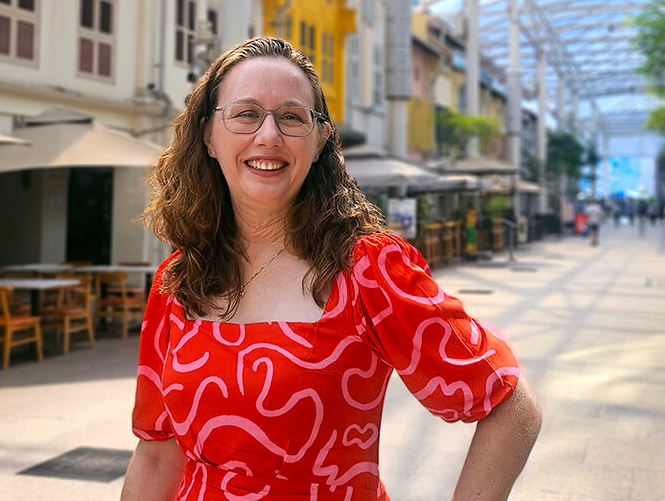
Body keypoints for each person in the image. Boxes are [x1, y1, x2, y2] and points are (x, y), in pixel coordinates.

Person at [121, 38, 542, 501]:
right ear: (207, 135)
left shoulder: (368, 270)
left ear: (320, 140)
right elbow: (158, 455)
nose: (269, 136)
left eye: (292, 117)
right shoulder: (179, 281)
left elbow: (511, 404)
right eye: (245, 114)